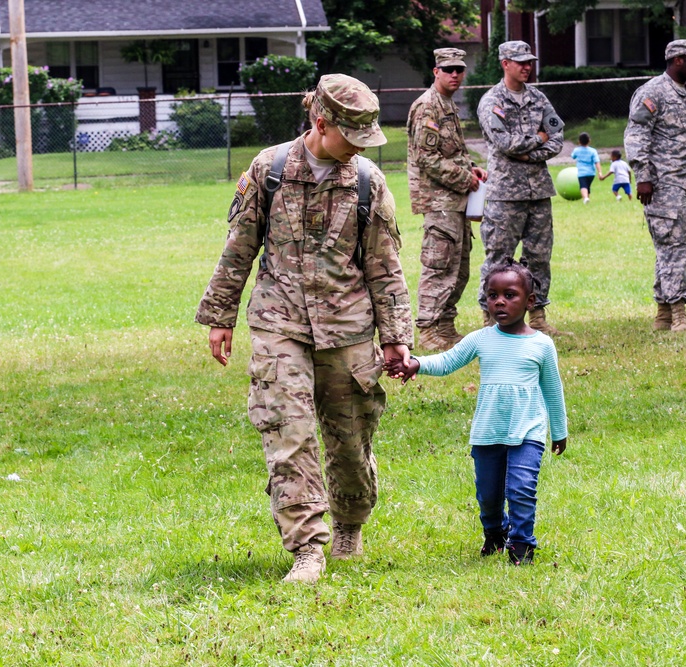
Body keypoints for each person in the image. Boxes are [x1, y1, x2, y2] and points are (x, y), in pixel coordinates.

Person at [195, 74, 413, 584]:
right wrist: (221, 315)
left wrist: (396, 336)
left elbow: (385, 266)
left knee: (350, 442)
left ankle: (350, 524)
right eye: (351, 137)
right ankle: (307, 548)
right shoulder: (269, 169)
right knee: (287, 433)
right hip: (280, 322)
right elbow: (239, 245)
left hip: (349, 329)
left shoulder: (367, 182)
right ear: (321, 123)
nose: (359, 149)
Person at [385, 259, 567, 565]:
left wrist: (559, 431)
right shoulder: (481, 339)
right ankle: (495, 534)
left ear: (530, 301)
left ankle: (522, 546)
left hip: (527, 433)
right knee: (489, 497)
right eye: (492, 295)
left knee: (521, 490)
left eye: (510, 295)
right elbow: (447, 361)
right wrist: (416, 362)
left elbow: (553, 389)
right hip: (487, 433)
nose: (499, 301)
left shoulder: (542, 345)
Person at [624, 39, 686, 332]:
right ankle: (679, 314)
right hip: (662, 184)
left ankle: (663, 314)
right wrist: (642, 176)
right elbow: (636, 135)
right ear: (678, 60)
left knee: (675, 248)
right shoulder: (653, 92)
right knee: (673, 247)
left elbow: (682, 139)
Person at [477, 40, 566, 337]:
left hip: (538, 191)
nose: (527, 66)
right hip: (505, 193)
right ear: (505, 63)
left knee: (539, 255)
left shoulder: (538, 99)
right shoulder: (493, 101)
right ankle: (491, 321)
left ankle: (537, 317)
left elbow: (557, 136)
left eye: (529, 62)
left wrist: (532, 151)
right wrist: (538, 138)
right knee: (499, 258)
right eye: (520, 62)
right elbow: (504, 144)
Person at [407, 47, 488, 352]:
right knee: (439, 266)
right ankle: (428, 329)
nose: (455, 74)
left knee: (459, 268)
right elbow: (426, 158)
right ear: (436, 71)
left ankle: (445, 326)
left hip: (456, 202)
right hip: (439, 202)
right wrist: (464, 178)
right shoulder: (427, 106)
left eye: (460, 69)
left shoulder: (447, 105)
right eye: (449, 69)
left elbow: (450, 152)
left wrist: (471, 168)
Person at [571, 132, 603, 204]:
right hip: (591, 173)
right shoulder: (593, 151)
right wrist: (600, 172)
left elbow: (573, 156)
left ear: (579, 141)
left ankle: (585, 198)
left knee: (583, 186)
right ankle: (587, 199)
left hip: (582, 173)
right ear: (589, 141)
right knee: (587, 186)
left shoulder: (577, 150)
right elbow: (597, 162)